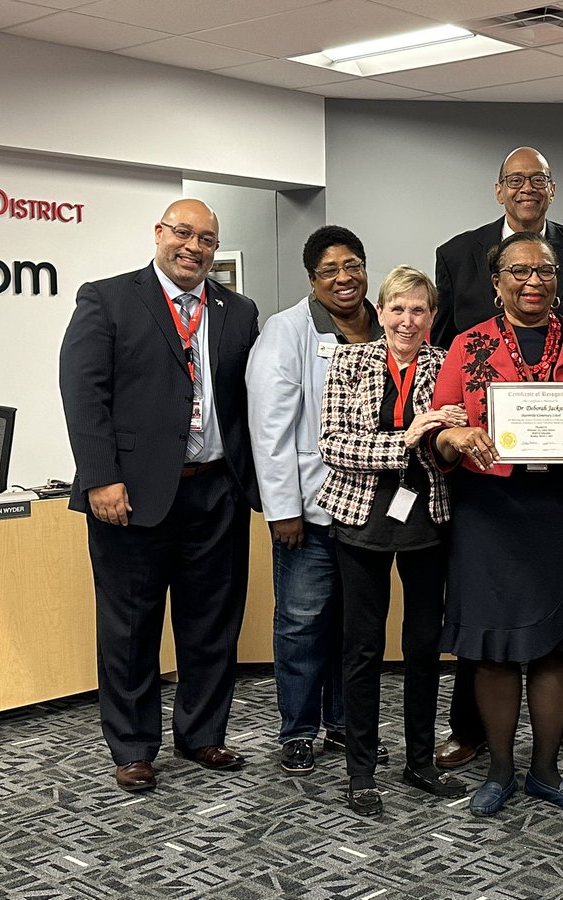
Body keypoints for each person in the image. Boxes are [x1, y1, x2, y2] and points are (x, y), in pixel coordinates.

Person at [59, 199, 261, 792]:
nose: (193, 247)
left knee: (212, 625)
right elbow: (83, 394)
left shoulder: (238, 311)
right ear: (159, 233)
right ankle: (133, 746)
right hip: (130, 495)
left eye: (206, 239)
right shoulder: (107, 299)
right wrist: (100, 476)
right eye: (183, 233)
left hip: (217, 491)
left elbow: (249, 401)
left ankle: (202, 734)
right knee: (130, 628)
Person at [428, 231, 563, 816]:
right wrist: (457, 434)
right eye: (518, 271)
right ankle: (499, 771)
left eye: (544, 270)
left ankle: (545, 771)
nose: (533, 281)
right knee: (492, 648)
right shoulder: (467, 345)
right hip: (490, 512)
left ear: (558, 280)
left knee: (557, 647)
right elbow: (439, 427)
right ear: (497, 283)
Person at [317, 266, 468, 817]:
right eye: (398, 309)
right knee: (362, 648)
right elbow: (332, 444)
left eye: (418, 310)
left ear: (432, 316)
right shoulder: (348, 362)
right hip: (362, 519)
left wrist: (439, 432)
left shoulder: (447, 363)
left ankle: (420, 761)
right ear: (380, 313)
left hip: (427, 517)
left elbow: (454, 437)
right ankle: (360, 771)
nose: (408, 320)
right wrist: (406, 439)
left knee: (424, 646)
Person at [246, 225, 389, 777]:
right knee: (303, 623)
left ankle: (346, 725)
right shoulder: (287, 332)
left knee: (357, 627)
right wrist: (282, 509)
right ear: (312, 279)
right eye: (329, 270)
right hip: (310, 510)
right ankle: (299, 731)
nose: (343, 278)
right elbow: (270, 429)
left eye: (352, 265)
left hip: (371, 510)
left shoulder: (386, 326)